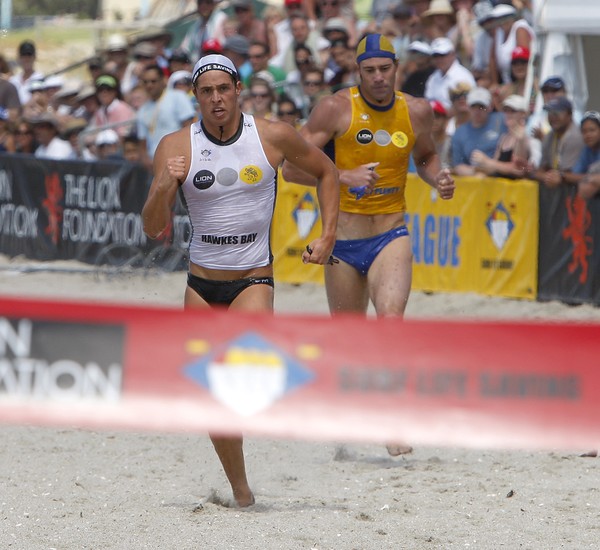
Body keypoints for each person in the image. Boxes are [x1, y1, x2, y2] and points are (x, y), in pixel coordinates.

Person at [141, 53, 339, 507]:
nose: (216, 99)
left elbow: (327, 172)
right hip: (200, 285)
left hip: (252, 279)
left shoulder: (272, 136)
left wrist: (327, 235)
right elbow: (153, 228)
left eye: (222, 89)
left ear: (236, 90)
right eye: (206, 91)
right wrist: (161, 190)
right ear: (196, 96)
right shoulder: (176, 146)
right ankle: (241, 489)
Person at [282, 34, 455, 457]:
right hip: (342, 240)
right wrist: (342, 176)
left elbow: (427, 157)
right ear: (357, 72)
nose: (378, 78)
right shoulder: (336, 108)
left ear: (396, 69)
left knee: (391, 321)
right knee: (349, 335)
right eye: (369, 70)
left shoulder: (415, 110)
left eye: (385, 69)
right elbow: (290, 167)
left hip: (391, 233)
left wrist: (439, 177)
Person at [136, 64, 197, 169]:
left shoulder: (178, 97)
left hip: (180, 162)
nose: (149, 85)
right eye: (145, 82)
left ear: (163, 80)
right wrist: (147, 162)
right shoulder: (142, 110)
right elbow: (142, 145)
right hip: (155, 165)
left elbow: (189, 130)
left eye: (153, 81)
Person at [470, 94, 536, 179]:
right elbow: (496, 166)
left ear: (523, 114)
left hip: (516, 190)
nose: (508, 114)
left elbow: (517, 169)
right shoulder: (504, 137)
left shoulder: (525, 137)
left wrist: (486, 161)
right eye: (506, 110)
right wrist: (479, 168)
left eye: (512, 111)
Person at [527, 97, 584, 189]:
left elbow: (564, 175)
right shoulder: (550, 135)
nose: (553, 116)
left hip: (575, 192)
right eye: (550, 112)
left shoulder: (575, 136)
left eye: (558, 112)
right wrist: (528, 170)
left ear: (570, 114)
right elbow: (544, 171)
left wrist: (541, 175)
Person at [450, 86, 506, 176]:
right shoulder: (459, 133)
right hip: (476, 178)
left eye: (482, 107)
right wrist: (476, 172)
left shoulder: (501, 120)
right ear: (468, 107)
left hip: (502, 174)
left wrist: (489, 164)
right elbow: (458, 165)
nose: (477, 111)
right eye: (473, 107)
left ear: (490, 107)